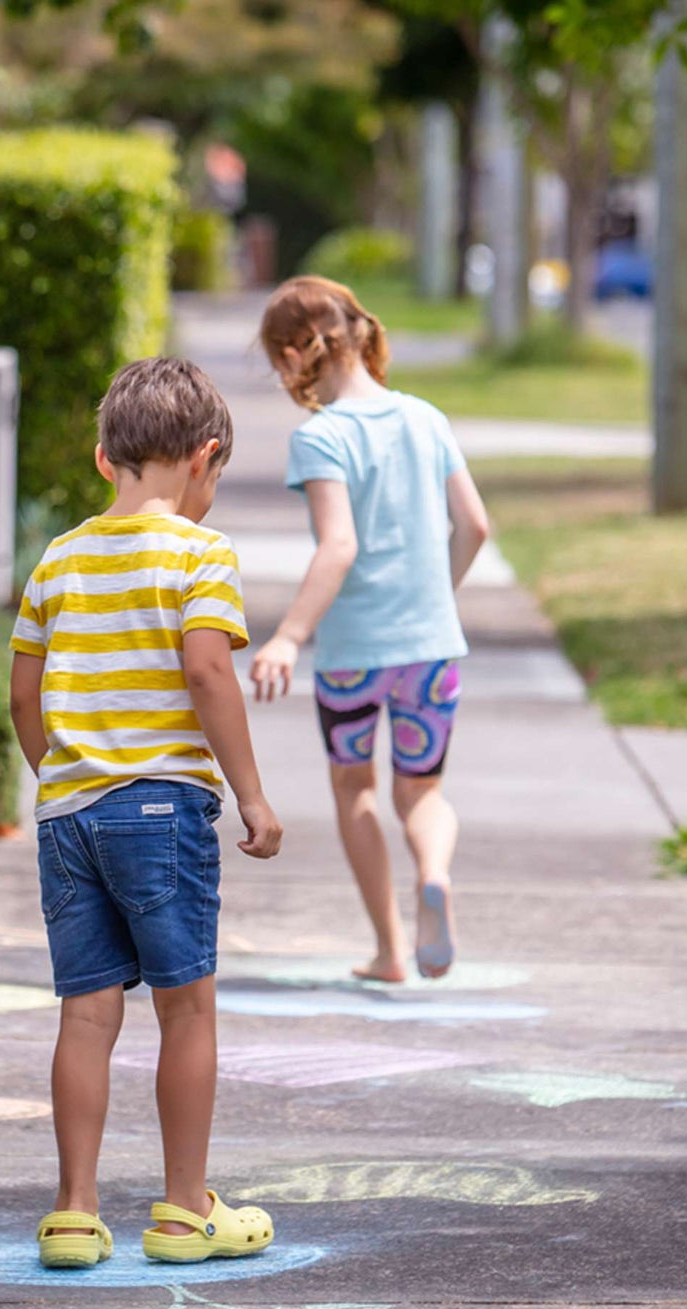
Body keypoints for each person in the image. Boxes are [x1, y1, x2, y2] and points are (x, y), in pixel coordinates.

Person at [9, 357, 283, 1270]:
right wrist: (248, 792)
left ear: (103, 461)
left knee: (85, 1015)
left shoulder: (57, 557)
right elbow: (208, 673)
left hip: (68, 813)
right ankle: (181, 1207)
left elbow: (24, 693)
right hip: (162, 810)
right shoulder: (201, 555)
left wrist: (63, 776)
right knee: (187, 1008)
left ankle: (74, 1213)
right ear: (205, 458)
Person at [250, 276, 490, 985]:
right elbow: (474, 525)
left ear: (299, 352)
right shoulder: (424, 417)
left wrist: (289, 635)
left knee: (355, 786)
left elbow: (338, 546)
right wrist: (434, 596)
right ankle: (435, 875)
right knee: (421, 792)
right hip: (429, 649)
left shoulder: (321, 436)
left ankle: (389, 950)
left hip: (354, 654)